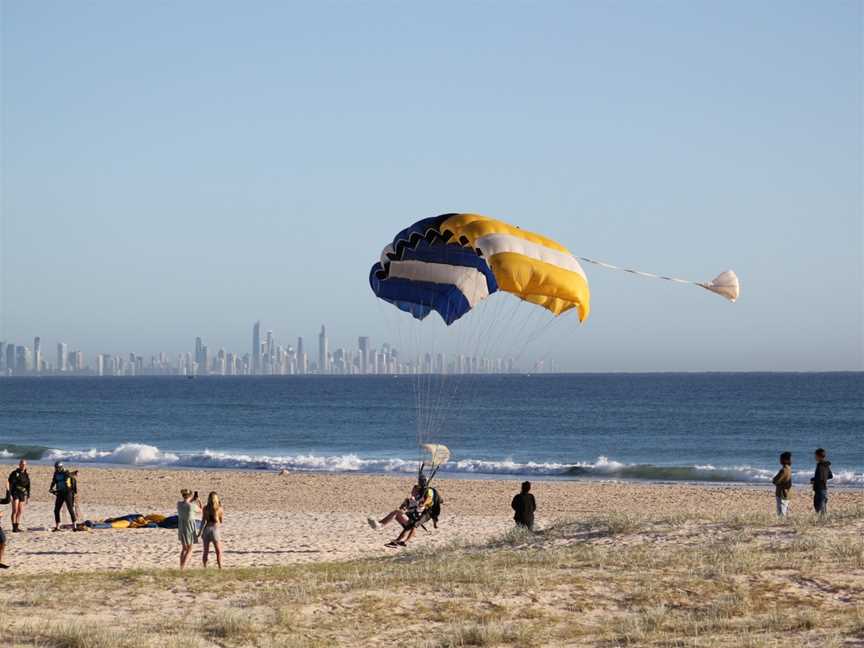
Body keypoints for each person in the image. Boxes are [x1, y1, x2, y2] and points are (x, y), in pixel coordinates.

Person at [49, 461, 80, 532]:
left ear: (61, 467)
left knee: (70, 509)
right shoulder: (56, 473)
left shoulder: (66, 472)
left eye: (58, 468)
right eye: (56, 468)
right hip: (59, 493)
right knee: (56, 510)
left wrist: (75, 472)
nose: (56, 469)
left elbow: (70, 474)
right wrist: (51, 488)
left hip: (68, 493)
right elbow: (53, 481)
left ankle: (74, 526)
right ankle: (57, 527)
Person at [177, 489, 201, 569]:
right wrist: (198, 501)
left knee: (184, 548)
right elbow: (200, 510)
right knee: (190, 549)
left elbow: (186, 503)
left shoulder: (179, 504)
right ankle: (183, 567)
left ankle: (181, 567)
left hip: (181, 526)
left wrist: (192, 500)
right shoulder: (192, 505)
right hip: (189, 526)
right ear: (190, 496)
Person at [199, 492, 224, 569]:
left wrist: (199, 532)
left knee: (205, 551)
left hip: (206, 529)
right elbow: (221, 520)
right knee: (218, 551)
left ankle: (205, 566)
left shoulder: (205, 508)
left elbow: (203, 521)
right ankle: (220, 567)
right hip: (215, 529)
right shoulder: (219, 508)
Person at [8, 459, 31, 532]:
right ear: (19, 465)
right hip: (15, 493)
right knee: (15, 510)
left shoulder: (26, 474)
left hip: (22, 494)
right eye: (22, 464)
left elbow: (28, 486)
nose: (23, 466)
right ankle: (14, 527)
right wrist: (9, 494)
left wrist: (28, 496)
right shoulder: (14, 473)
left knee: (20, 511)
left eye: (25, 464)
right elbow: (9, 483)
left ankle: (17, 526)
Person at [810, 448, 833, 515]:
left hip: (819, 489)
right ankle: (823, 522)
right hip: (824, 489)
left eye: (815, 455)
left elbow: (819, 478)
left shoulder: (820, 465)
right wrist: (824, 478)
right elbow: (830, 476)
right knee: (823, 508)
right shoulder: (826, 465)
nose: (815, 457)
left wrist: (813, 480)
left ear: (819, 456)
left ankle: (822, 523)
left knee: (819, 507)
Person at [771, 452, 792, 518]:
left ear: (785, 460)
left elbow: (776, 480)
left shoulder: (784, 470)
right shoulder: (789, 468)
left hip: (782, 493)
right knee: (784, 511)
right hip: (786, 493)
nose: (780, 460)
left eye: (781, 459)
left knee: (781, 513)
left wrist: (774, 480)